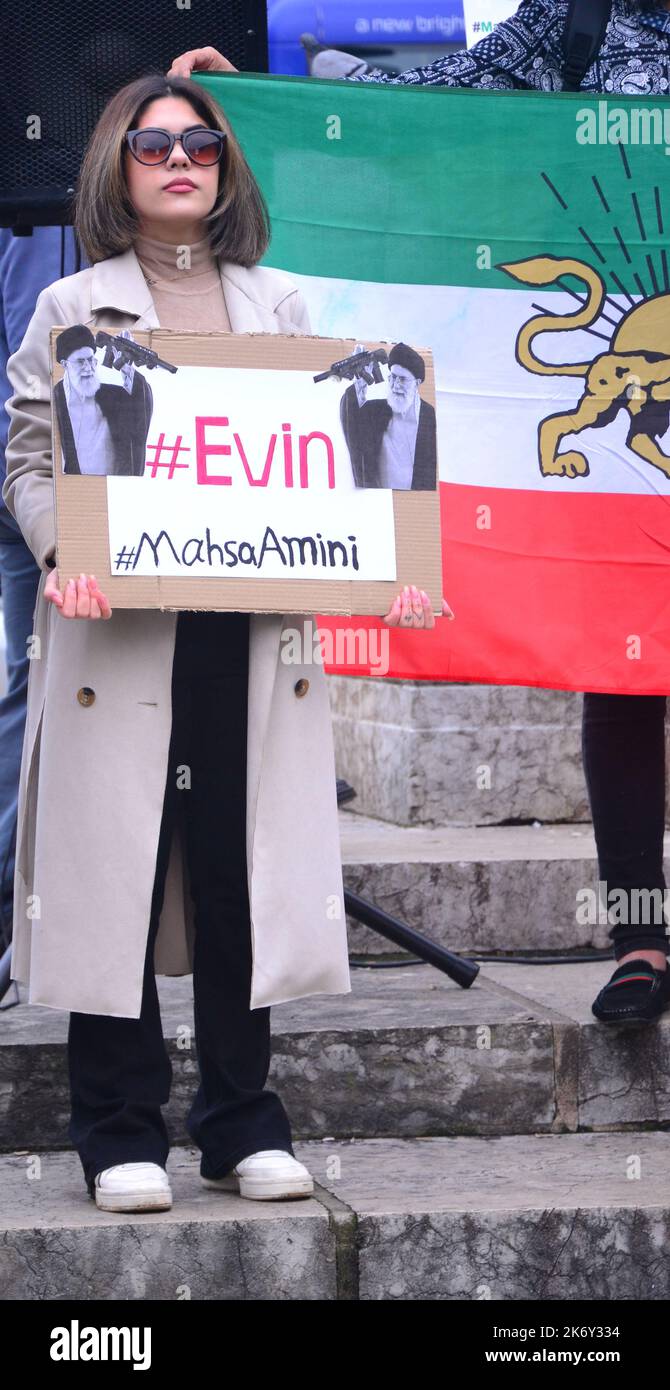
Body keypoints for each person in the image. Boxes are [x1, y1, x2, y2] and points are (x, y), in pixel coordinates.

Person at [167, 0, 670, 1026]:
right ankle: (640, 936)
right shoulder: (575, 18)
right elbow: (438, 104)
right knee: (624, 659)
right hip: (633, 385)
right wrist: (260, 101)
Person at [3, 72, 451, 1215]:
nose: (180, 159)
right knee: (117, 872)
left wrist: (389, 561)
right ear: (115, 166)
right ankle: (115, 1130)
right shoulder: (69, 309)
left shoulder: (285, 304)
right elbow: (24, 457)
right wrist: (66, 550)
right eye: (153, 146)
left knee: (236, 864)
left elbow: (337, 460)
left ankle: (242, 1121)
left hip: (246, 632)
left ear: (226, 167)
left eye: (200, 142)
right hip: (119, 634)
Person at [54, 325, 153, 475]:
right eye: (80, 362)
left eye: (91, 360)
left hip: (115, 492)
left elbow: (141, 406)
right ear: (65, 365)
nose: (88, 368)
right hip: (75, 493)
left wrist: (126, 367)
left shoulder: (112, 396)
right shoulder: (56, 399)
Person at [340, 343, 436, 490]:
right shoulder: (376, 412)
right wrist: (359, 383)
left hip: (415, 506)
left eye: (403, 379)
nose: (395, 385)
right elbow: (351, 421)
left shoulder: (429, 418)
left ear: (417, 383)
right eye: (393, 377)